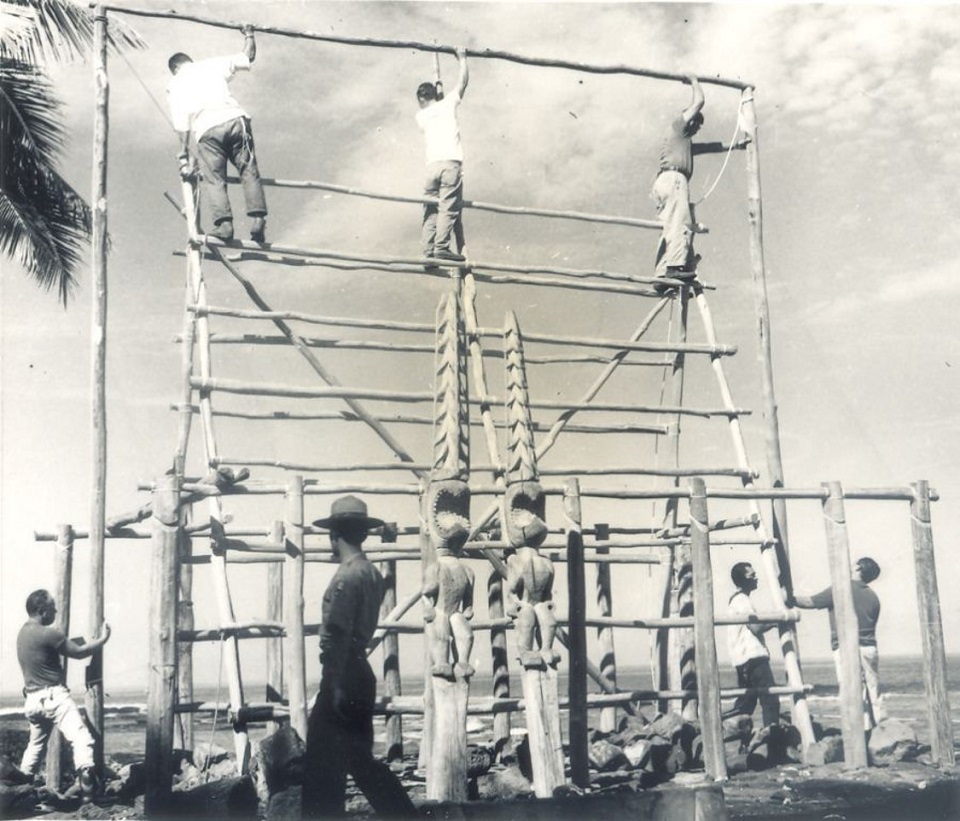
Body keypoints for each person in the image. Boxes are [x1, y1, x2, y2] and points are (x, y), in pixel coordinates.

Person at [302, 496, 416, 819]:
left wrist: (334, 687)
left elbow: (336, 634)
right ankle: (404, 815)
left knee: (322, 766)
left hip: (341, 673)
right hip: (360, 672)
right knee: (359, 761)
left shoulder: (345, 578)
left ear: (333, 536)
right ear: (363, 535)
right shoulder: (373, 575)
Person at [166, 24, 268, 243]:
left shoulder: (174, 84)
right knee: (248, 169)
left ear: (174, 69)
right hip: (235, 120)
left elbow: (181, 122)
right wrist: (249, 33)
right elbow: (248, 56)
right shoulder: (212, 64)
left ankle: (224, 225)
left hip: (207, 130)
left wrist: (183, 152)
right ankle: (258, 219)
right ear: (188, 61)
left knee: (214, 179)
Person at [16, 589, 111, 799]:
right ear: (42, 610)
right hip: (54, 697)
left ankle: (21, 790)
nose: (56, 611)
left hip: (32, 699)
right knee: (81, 739)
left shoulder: (22, 634)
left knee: (35, 747)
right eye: (52, 608)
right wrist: (103, 639)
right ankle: (87, 778)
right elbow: (79, 653)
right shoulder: (49, 633)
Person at [792, 557, 886, 729]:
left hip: (846, 647)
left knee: (852, 690)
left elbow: (811, 602)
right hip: (869, 647)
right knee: (874, 689)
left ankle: (861, 731)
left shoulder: (842, 588)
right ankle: (881, 727)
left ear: (858, 568)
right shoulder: (873, 596)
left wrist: (789, 599)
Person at [416, 47, 469, 263]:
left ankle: (428, 253)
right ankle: (441, 247)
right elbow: (463, 82)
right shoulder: (447, 104)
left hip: (431, 167)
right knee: (448, 206)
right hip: (450, 164)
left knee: (430, 209)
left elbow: (434, 104)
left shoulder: (420, 116)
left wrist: (437, 87)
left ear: (420, 98)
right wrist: (463, 59)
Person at [651, 74, 704, 282]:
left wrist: (734, 146)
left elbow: (706, 148)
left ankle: (662, 274)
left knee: (670, 224)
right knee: (680, 221)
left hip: (664, 181)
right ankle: (674, 267)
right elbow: (699, 101)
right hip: (673, 180)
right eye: (695, 123)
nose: (696, 128)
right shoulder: (678, 127)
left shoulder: (682, 141)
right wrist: (694, 81)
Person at [723, 562, 781, 728]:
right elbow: (756, 627)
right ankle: (772, 736)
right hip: (753, 657)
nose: (756, 578)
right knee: (770, 698)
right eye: (751, 576)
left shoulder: (738, 600)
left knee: (745, 703)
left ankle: (735, 734)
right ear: (742, 581)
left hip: (742, 659)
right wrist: (777, 621)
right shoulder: (742, 600)